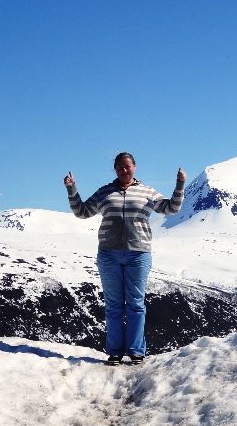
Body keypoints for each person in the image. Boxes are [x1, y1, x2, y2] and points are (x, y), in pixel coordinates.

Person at [64, 152, 185, 366]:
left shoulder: (147, 192)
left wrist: (180, 185)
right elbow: (82, 212)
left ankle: (137, 351)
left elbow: (171, 208)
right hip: (109, 255)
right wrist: (72, 189)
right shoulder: (105, 192)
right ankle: (115, 352)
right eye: (120, 167)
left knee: (136, 304)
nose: (124, 170)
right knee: (113, 305)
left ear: (134, 167)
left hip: (138, 254)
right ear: (115, 169)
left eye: (127, 166)